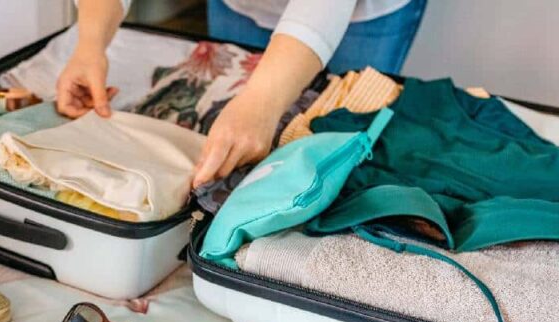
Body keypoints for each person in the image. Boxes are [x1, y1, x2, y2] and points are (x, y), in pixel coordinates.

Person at [56, 0, 427, 188]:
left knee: (337, 154)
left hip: (357, 14)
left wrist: (261, 100)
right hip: (239, 5)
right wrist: (90, 43)